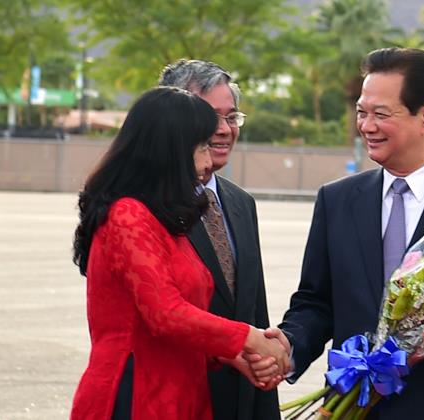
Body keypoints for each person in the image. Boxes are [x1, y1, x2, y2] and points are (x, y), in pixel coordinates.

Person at [264, 47, 424, 419]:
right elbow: (316, 303)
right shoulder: (336, 200)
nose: (367, 126)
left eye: (381, 114)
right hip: (352, 407)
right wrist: (288, 346)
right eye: (361, 112)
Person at [70, 86, 287, 420]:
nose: (207, 161)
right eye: (201, 147)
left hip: (179, 393)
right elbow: (165, 314)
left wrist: (228, 355)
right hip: (137, 394)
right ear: (171, 151)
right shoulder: (128, 215)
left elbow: (179, 322)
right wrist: (248, 338)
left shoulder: (164, 218)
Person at [158, 60, 281, 420]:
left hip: (238, 399)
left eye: (232, 117)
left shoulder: (241, 203)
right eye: (210, 117)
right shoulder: (145, 206)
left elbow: (254, 311)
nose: (224, 129)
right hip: (173, 398)